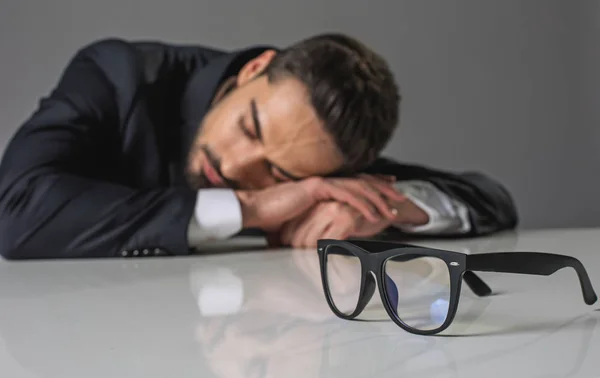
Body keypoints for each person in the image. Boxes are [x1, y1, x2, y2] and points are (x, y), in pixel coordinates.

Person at [0, 33, 518, 260]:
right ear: (253, 70)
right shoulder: (117, 75)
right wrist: (252, 206)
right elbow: (15, 209)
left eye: (279, 173)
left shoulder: (319, 155)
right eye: (249, 127)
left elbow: (488, 198)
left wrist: (382, 209)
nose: (234, 164)